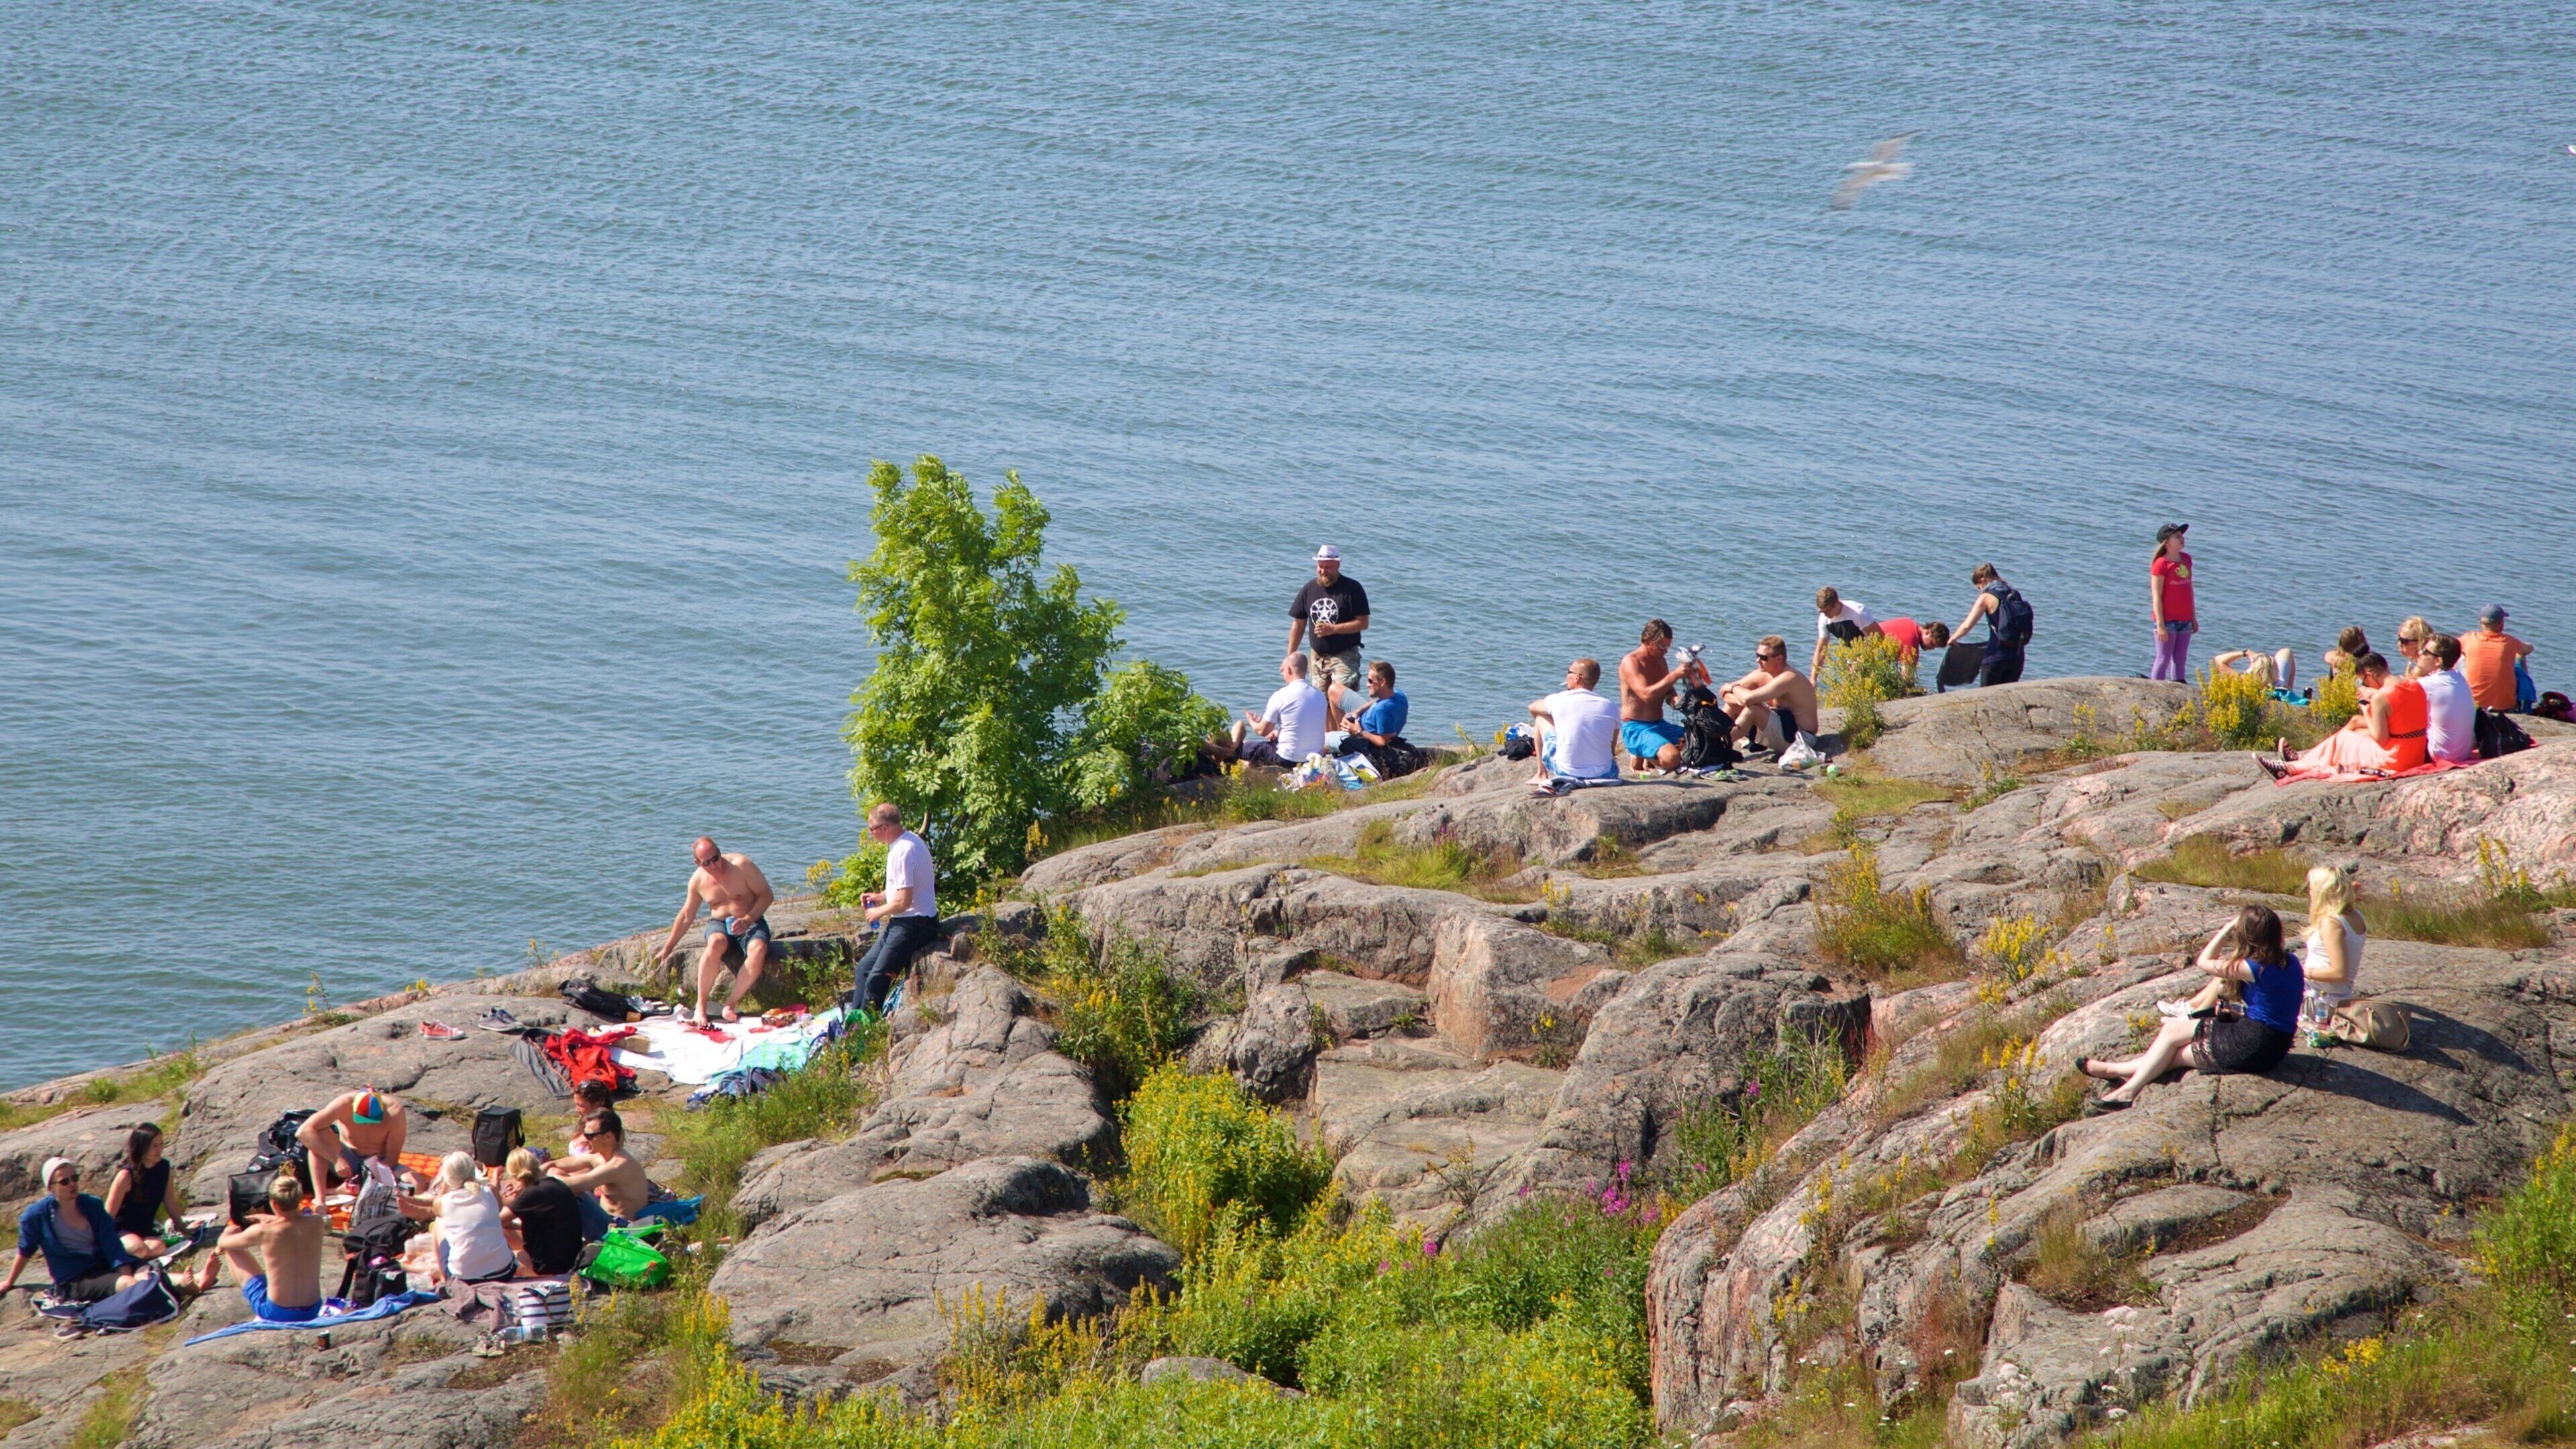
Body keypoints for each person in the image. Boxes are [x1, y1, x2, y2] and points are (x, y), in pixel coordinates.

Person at [2076, 906, 2303, 1111]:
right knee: (2172, 1035)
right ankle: (2115, 1071)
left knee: (2176, 1052)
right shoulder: (2291, 961)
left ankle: (2126, 1090)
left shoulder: (2253, 967)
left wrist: (2225, 930)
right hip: (2272, 1042)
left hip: (2255, 1045)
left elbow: (2204, 961)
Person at [655, 836, 777, 1026]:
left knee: (759, 950)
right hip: (720, 923)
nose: (714, 865)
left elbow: (767, 895)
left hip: (750, 920)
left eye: (716, 858)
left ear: (720, 851)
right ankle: (700, 1008)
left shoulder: (742, 865)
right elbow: (687, 915)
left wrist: (747, 920)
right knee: (715, 943)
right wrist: (668, 947)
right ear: (698, 863)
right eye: (707, 863)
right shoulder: (697, 881)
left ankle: (730, 1004)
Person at [2257, 651, 2427, 780]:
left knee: (2344, 739)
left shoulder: (2380, 698)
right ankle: (2303, 760)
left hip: (2396, 759)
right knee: (2356, 731)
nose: (2365, 685)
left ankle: (2290, 769)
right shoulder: (2414, 685)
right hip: (2415, 752)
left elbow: (2381, 738)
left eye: (2364, 681)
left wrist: (2366, 711)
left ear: (2369, 674)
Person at [3, 1158, 145, 1306]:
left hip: (103, 1264)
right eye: (64, 1182)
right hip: (76, 1279)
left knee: (150, 1277)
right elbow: (26, 1250)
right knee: (129, 1284)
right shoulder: (37, 1215)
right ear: (50, 1188)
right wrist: (9, 1281)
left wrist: (125, 1273)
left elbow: (112, 1245)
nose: (72, 1184)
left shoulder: (92, 1205)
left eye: (75, 1178)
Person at [851, 801, 938, 1016]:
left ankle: (865, 1034)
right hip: (906, 921)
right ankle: (853, 1023)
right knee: (864, 969)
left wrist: (877, 912)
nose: (870, 833)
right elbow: (902, 890)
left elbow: (903, 902)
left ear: (884, 829)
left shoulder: (902, 851)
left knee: (876, 979)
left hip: (917, 924)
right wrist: (880, 897)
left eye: (872, 829)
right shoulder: (909, 840)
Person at [212, 1169, 326, 1323]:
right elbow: (294, 1222)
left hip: (276, 1312)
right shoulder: (317, 1222)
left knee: (233, 1250)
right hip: (312, 1310)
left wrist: (228, 1231)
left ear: (273, 1203)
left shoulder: (263, 1232)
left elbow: (223, 1243)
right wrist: (270, 1219)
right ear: (299, 1199)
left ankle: (262, 1313)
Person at [1620, 620, 1709, 771]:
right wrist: (1674, 675)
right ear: (1648, 640)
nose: (1665, 651)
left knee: (1702, 744)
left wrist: (1678, 701)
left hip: (1659, 724)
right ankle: (1640, 753)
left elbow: (1668, 692)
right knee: (1672, 759)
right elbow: (1645, 694)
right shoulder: (1631, 662)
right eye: (1661, 647)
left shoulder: (1660, 660)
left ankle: (1650, 755)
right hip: (1637, 727)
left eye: (1668, 647)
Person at [1287, 546, 1370, 706]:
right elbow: (1299, 623)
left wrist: (1333, 629)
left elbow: (1363, 623)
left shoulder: (1353, 589)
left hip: (1344, 656)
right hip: (1317, 658)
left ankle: (1344, 731)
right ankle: (1329, 733)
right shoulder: (1309, 589)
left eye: (1328, 567)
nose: (1323, 571)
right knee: (1320, 703)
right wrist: (1290, 656)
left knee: (1339, 698)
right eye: (1320, 566)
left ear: (1338, 565)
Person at [544, 1110, 661, 1224]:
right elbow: (556, 1164)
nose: (585, 1139)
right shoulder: (599, 1156)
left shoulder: (618, 1165)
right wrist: (540, 1170)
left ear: (608, 1137)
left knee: (569, 1194)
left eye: (590, 1136)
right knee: (555, 1174)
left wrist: (543, 1177)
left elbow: (572, 1185)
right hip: (606, 1215)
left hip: (621, 1225)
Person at [1214, 653, 1329, 767]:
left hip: (1288, 759)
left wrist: (1251, 721)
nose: (1282, 673)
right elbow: (1303, 727)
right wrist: (1278, 733)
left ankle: (1222, 764)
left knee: (1244, 748)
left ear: (1289, 670)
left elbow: (1262, 731)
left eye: (1282, 670)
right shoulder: (1320, 696)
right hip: (1314, 758)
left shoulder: (1281, 695)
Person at [103, 1124, 193, 1263]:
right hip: (121, 1231)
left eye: (161, 1144)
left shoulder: (164, 1168)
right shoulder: (125, 1176)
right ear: (142, 1148)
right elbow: (107, 1216)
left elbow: (170, 1202)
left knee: (159, 1247)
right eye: (154, 1146)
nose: (159, 1150)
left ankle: (131, 1257)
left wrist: (184, 1229)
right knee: (137, 1248)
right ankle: (113, 1253)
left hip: (145, 1229)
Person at [427, 1152, 519, 1289]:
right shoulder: (491, 1191)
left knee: (439, 1222)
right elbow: (498, 1209)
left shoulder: (443, 1202)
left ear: (447, 1177)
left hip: (464, 1279)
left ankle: (444, 1277)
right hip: (504, 1272)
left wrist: (446, 1182)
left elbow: (437, 1205)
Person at [297, 1087, 411, 1196]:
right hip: (347, 1161)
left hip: (378, 1164)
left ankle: (339, 1190)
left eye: (373, 1122)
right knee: (317, 1140)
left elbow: (392, 1158)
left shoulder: (394, 1111)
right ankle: (320, 1200)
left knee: (416, 1183)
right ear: (353, 1109)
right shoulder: (344, 1104)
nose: (368, 1125)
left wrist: (370, 1177)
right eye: (362, 1121)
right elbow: (303, 1132)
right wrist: (337, 1160)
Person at [2296, 865, 2366, 1040]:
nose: (2309, 892)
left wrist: (2301, 972)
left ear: (2323, 892)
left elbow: (2339, 972)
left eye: (2311, 888)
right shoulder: (2356, 916)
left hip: (2318, 1004)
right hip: (2337, 999)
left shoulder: (2331, 924)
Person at [1527, 658, 1622, 788]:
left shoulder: (1559, 699)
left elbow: (1532, 707)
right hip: (1605, 773)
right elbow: (1611, 750)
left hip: (1566, 771)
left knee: (1540, 717)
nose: (1567, 676)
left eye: (1569, 672)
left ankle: (1541, 774)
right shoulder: (1612, 707)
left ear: (1577, 677)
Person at [1719, 637, 1820, 755]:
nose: (1758, 660)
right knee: (1733, 703)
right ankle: (1712, 738)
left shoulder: (1790, 677)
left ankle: (1717, 747)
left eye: (1763, 658)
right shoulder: (1761, 674)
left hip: (1800, 739)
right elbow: (1724, 693)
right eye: (1757, 655)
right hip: (1780, 729)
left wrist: (1734, 689)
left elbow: (1745, 697)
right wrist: (1739, 699)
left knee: (1754, 709)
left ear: (1779, 659)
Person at [499, 1148, 586, 1274]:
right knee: (505, 1231)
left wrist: (496, 1190)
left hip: (547, 1267)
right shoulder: (555, 1184)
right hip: (568, 1258)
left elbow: (495, 1222)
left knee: (497, 1259)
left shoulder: (533, 1193)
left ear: (515, 1176)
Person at [1952, 564, 2033, 686]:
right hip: (2017, 657)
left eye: (1979, 587)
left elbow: (1967, 626)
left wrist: (1953, 639)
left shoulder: (1986, 597)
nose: (1980, 591)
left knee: (1986, 701)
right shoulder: (2014, 594)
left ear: (1983, 580)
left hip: (1995, 657)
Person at [2415, 634, 2476, 765]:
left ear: (2438, 661)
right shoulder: (2458, 677)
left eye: (2425, 652)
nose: (2420, 653)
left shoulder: (2429, 685)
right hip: (2463, 753)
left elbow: (2393, 697)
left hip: (2439, 754)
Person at [2460, 606, 2533, 712]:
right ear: (2500, 623)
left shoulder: (2469, 638)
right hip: (2505, 706)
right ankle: (2521, 702)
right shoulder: (2510, 642)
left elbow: (2450, 647)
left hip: (2473, 703)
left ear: (2480, 622)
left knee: (2461, 657)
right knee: (2520, 655)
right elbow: (2529, 649)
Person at [2149, 524, 2196, 682]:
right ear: (2167, 542)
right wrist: (2161, 625)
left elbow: (2189, 589)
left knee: (2180, 659)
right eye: (2177, 537)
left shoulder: (2186, 559)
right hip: (2167, 620)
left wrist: (2193, 617)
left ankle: (2179, 687)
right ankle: (2156, 690)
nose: (2182, 539)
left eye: (2182, 536)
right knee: (2163, 658)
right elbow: (2157, 595)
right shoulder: (2161, 564)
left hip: (2185, 619)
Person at [1810, 588, 1882, 678]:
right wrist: (1813, 679)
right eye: (1822, 612)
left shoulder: (1858, 613)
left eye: (1827, 611)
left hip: (1873, 653)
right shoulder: (1824, 619)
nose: (1825, 615)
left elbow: (1880, 639)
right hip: (1852, 654)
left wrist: (1861, 660)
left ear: (1837, 604)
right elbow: (1821, 650)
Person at [2210, 648, 2298, 693]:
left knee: (2285, 652)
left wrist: (2246, 653)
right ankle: (2290, 692)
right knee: (2286, 651)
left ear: (2253, 670)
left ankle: (2263, 663)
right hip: (2278, 684)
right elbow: (2287, 652)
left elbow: (2218, 661)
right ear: (2276, 670)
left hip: (2263, 680)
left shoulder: (2243, 680)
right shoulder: (2280, 685)